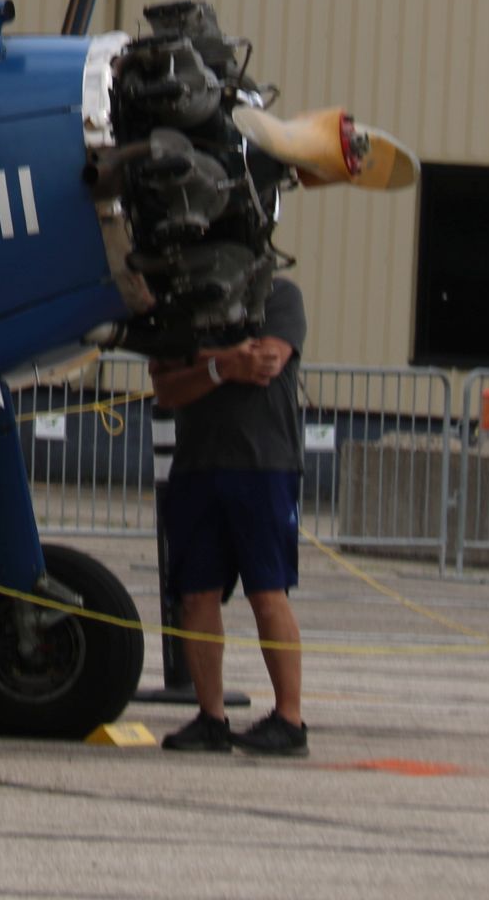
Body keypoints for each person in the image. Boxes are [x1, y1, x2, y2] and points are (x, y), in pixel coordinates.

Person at [149, 276, 309, 757]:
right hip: (196, 466)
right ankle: (211, 717)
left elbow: (267, 361)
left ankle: (290, 719)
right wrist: (224, 365)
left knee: (267, 590)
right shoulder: (181, 305)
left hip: (264, 464)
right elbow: (165, 387)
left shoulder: (278, 294)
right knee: (196, 595)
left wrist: (197, 363)